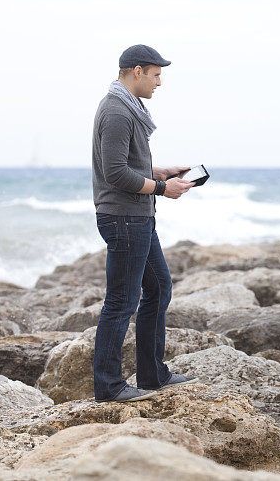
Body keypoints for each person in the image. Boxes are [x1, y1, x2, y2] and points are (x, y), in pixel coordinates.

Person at [90, 44, 197, 402]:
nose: (160, 82)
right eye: (156, 74)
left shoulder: (128, 108)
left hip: (137, 217)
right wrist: (163, 188)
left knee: (159, 288)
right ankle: (108, 386)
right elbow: (115, 173)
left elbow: (126, 164)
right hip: (124, 219)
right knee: (121, 302)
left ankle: (152, 374)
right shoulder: (117, 111)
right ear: (137, 71)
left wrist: (157, 172)